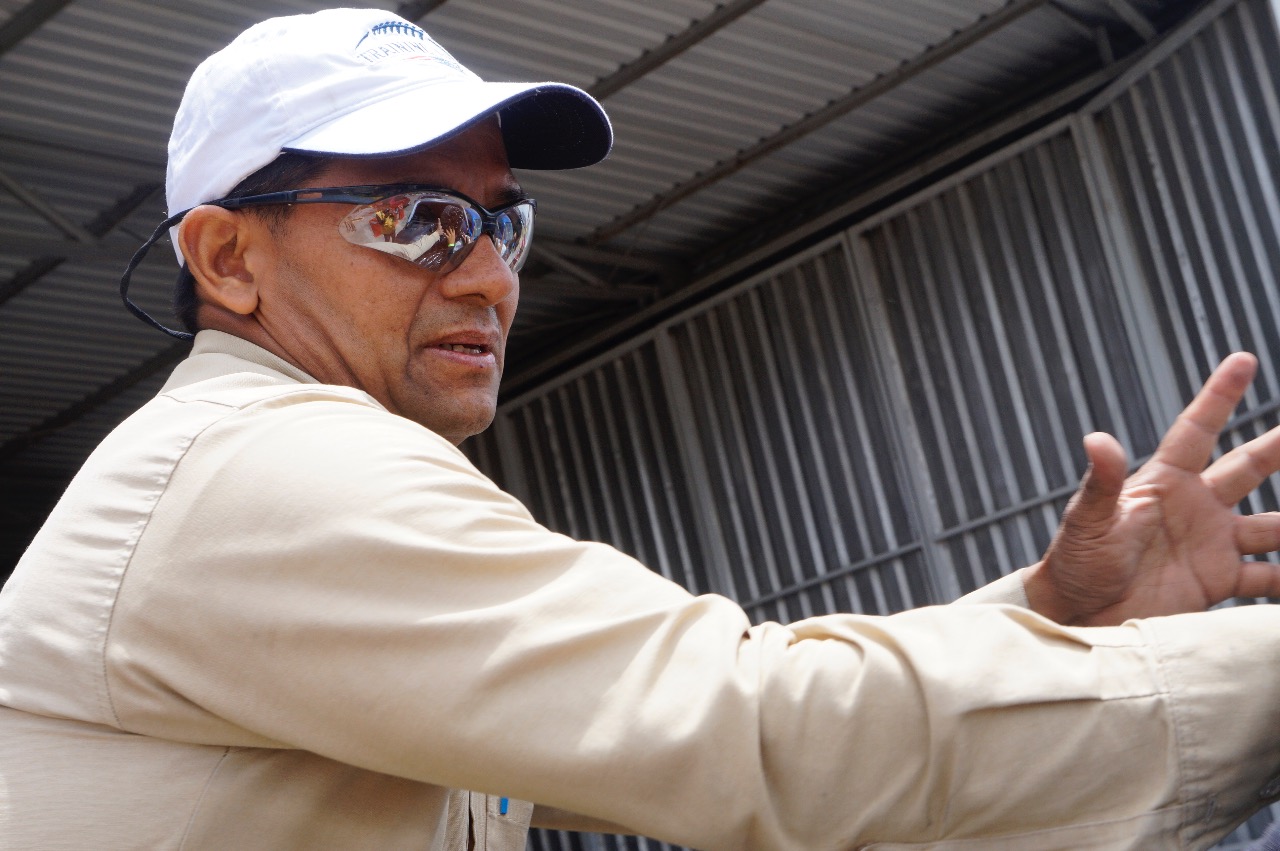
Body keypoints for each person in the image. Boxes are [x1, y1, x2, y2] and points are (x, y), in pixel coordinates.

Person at [3, 8, 1280, 850]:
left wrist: (1047, 608)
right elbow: (757, 735)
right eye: (413, 218)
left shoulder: (273, 499)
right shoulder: (260, 471)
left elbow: (696, 705)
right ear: (227, 256)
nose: (487, 276)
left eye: (501, 223)